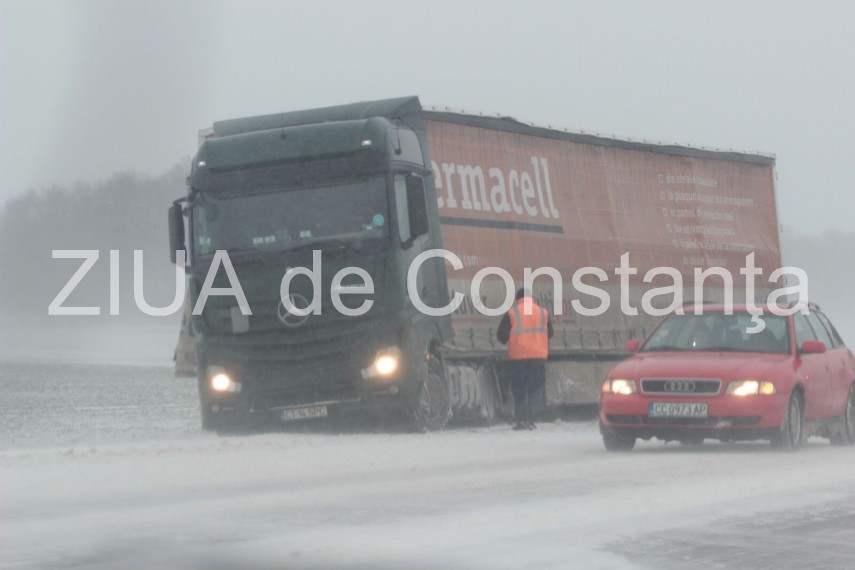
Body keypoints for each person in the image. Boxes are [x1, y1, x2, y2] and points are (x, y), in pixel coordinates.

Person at [497, 288, 554, 430]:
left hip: (518, 359)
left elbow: (501, 336)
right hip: (538, 358)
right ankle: (531, 419)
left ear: (518, 299)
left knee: (519, 390)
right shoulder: (543, 313)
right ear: (532, 298)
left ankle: (520, 420)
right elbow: (550, 334)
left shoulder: (512, 313)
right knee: (535, 389)